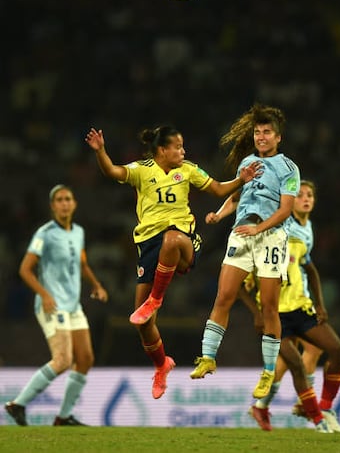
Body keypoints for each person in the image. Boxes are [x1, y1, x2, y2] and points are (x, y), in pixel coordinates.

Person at [85, 125, 262, 400]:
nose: (183, 151)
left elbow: (216, 189)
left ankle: (156, 299)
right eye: (178, 147)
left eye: (183, 146)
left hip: (184, 241)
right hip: (149, 246)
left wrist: (241, 179)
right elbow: (112, 171)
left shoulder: (188, 169)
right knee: (142, 324)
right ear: (162, 150)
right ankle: (161, 364)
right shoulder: (142, 170)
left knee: (171, 239)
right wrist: (101, 151)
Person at [190, 104, 301, 400]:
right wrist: (219, 214)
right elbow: (239, 196)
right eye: (257, 132)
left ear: (278, 138)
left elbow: (286, 209)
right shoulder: (247, 163)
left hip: (271, 238)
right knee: (224, 295)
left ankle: (267, 372)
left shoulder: (288, 168)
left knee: (268, 307)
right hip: (242, 234)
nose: (261, 137)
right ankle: (208, 357)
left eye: (267, 132)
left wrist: (260, 227)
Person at [243, 180, 340, 432]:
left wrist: (317, 303)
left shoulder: (306, 229)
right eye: (299, 195)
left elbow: (306, 267)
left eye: (310, 194)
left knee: (310, 355)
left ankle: (278, 404)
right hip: (275, 311)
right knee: (301, 357)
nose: (305, 198)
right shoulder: (280, 225)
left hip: (300, 305)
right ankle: (312, 409)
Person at [4, 184, 108, 426]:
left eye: (68, 199)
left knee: (85, 358)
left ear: (74, 204)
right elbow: (24, 270)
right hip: (52, 305)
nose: (64, 203)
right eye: (59, 199)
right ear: (53, 206)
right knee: (62, 360)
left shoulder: (78, 232)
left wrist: (96, 285)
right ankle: (16, 404)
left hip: (72, 305)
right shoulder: (45, 233)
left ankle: (63, 417)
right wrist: (44, 294)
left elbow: (81, 263)